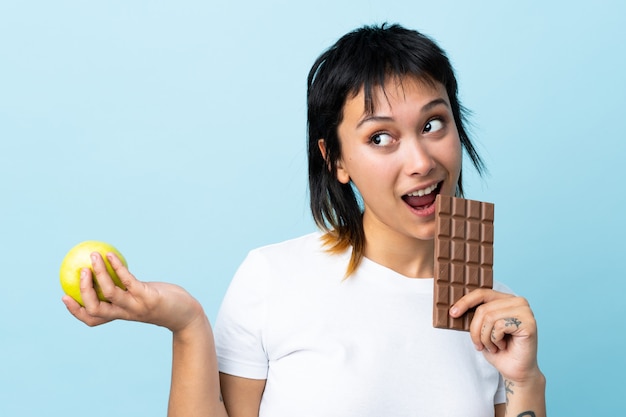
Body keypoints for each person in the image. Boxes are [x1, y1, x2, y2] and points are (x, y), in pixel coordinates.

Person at [63, 24, 546, 417]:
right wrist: (188, 325)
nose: (420, 160)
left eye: (432, 124)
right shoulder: (272, 278)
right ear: (335, 158)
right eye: (380, 137)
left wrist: (525, 382)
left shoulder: (487, 314)